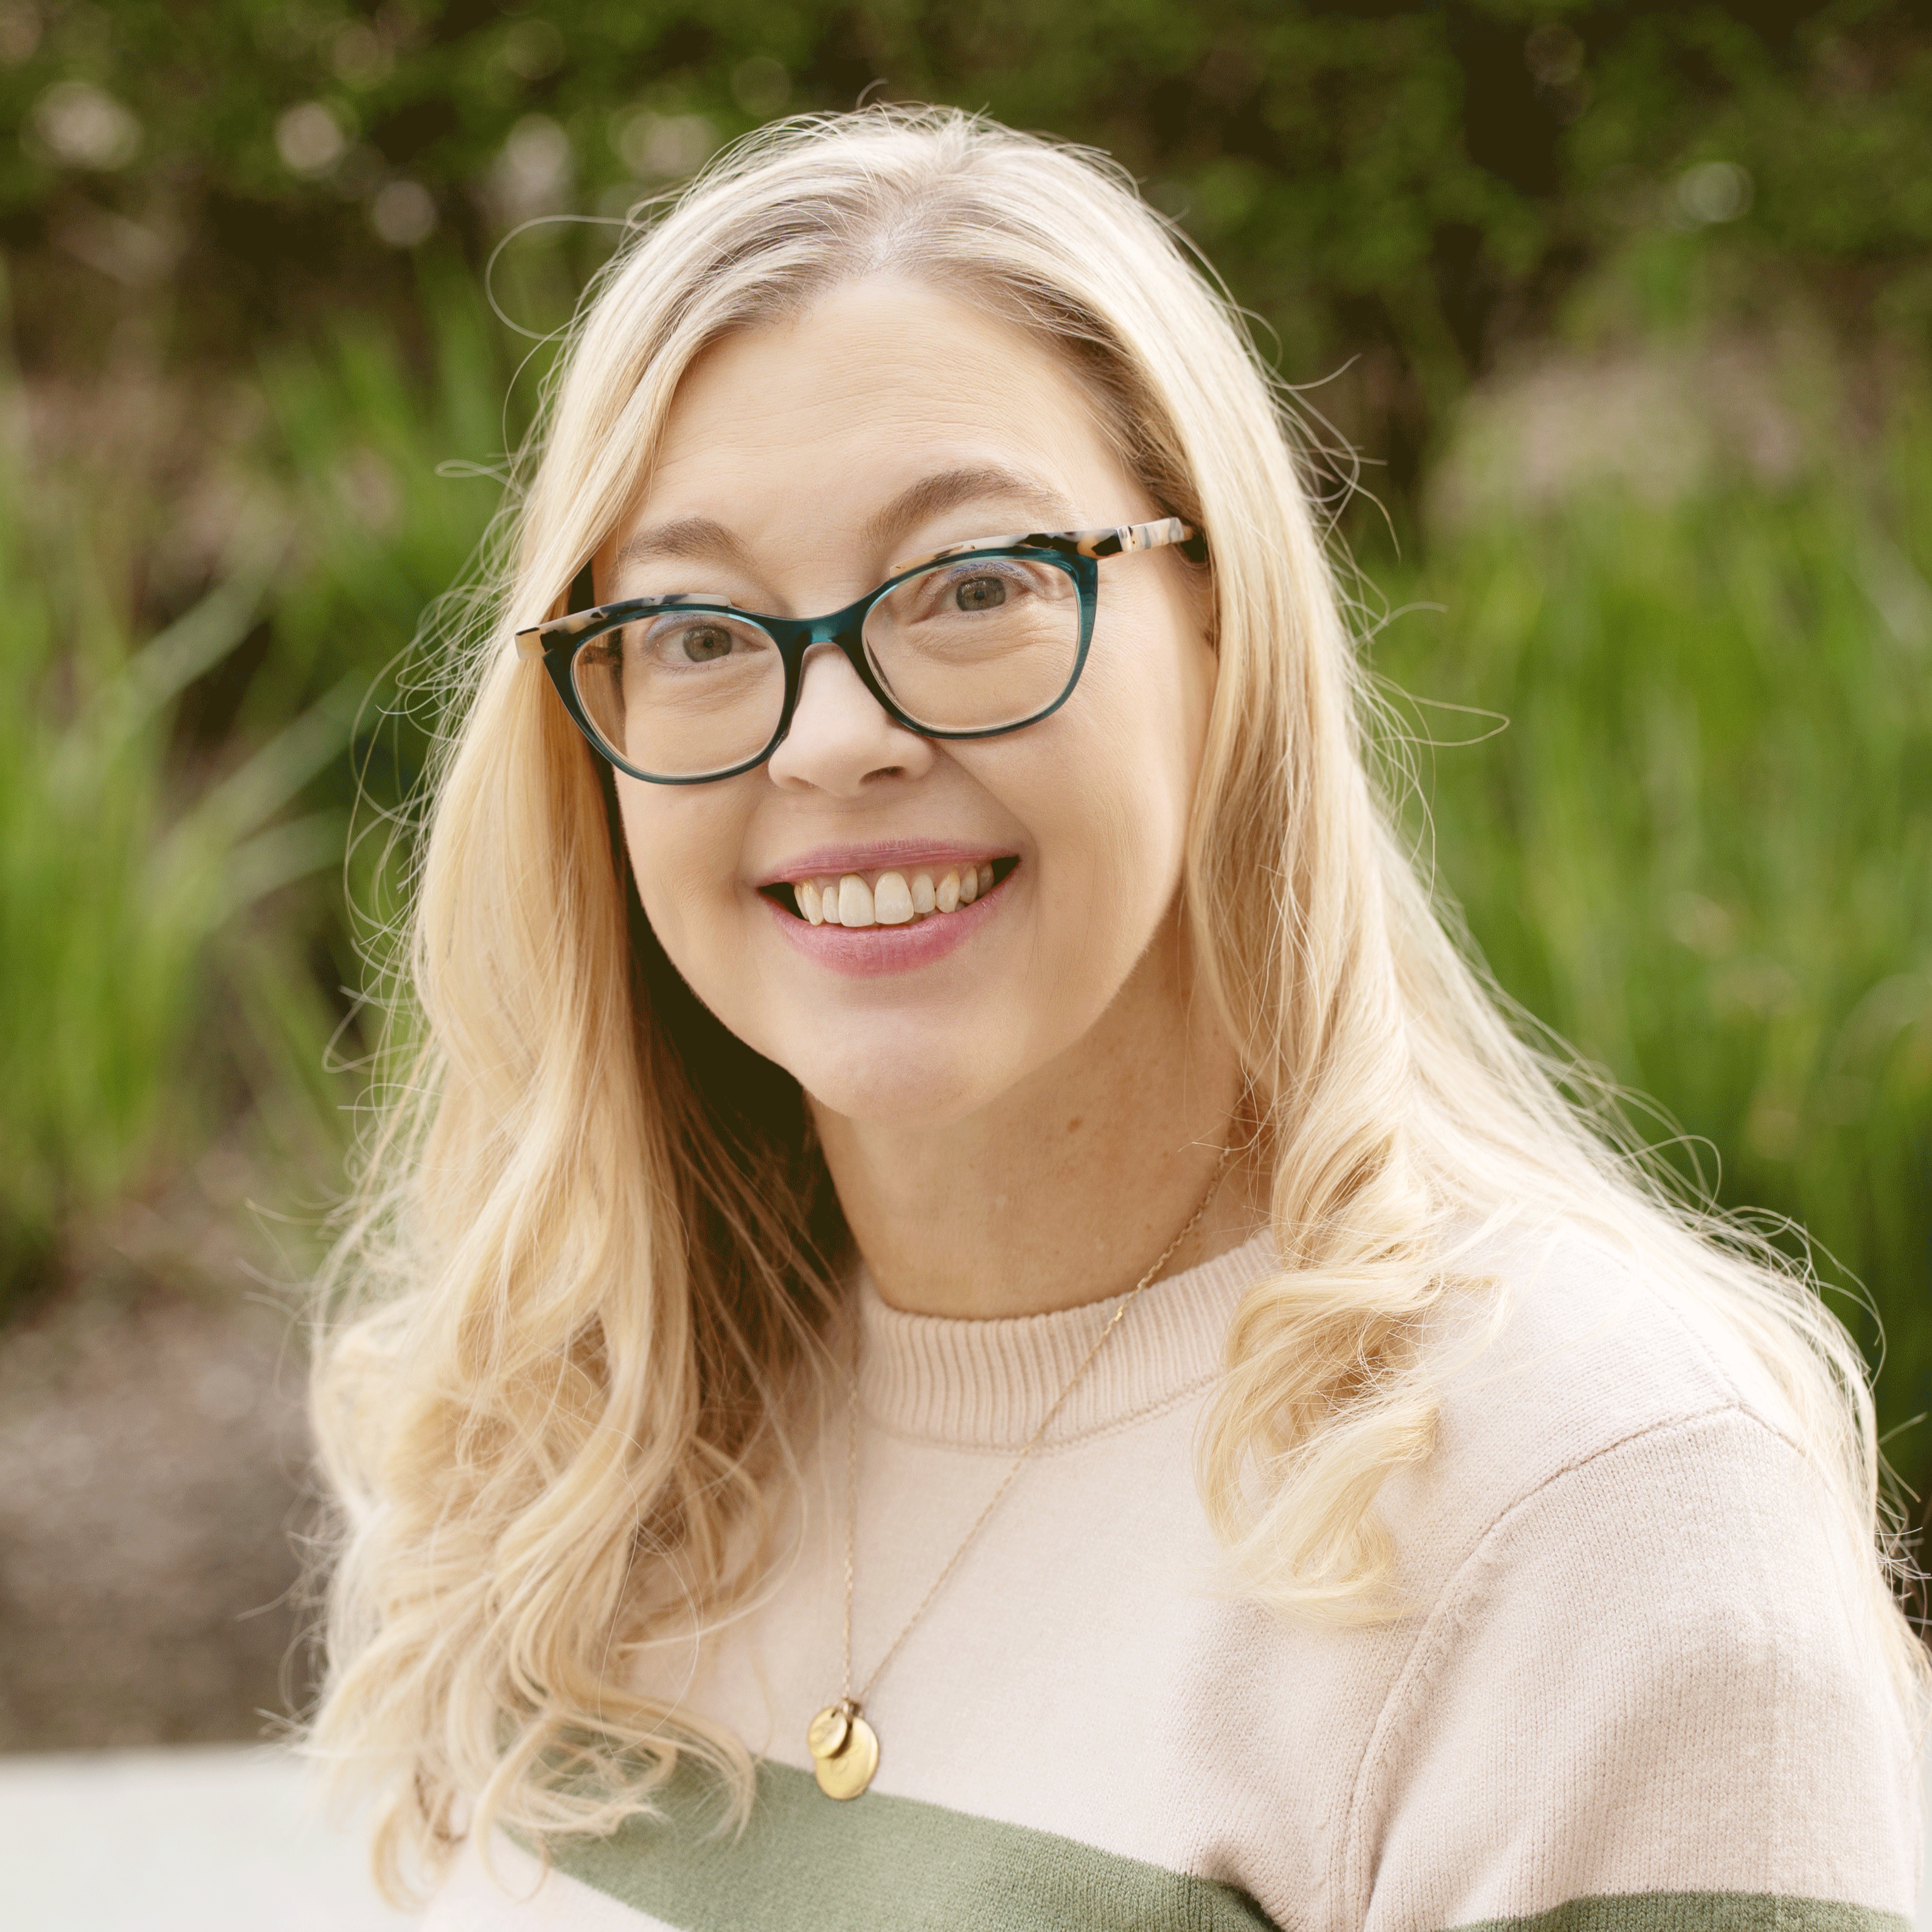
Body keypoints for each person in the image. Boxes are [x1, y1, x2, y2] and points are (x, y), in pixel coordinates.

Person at [310, 108, 1925, 1931]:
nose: (834, 734)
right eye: (695, 628)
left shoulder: (1586, 1505)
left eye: (979, 586)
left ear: (1225, 625)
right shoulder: (583, 1451)